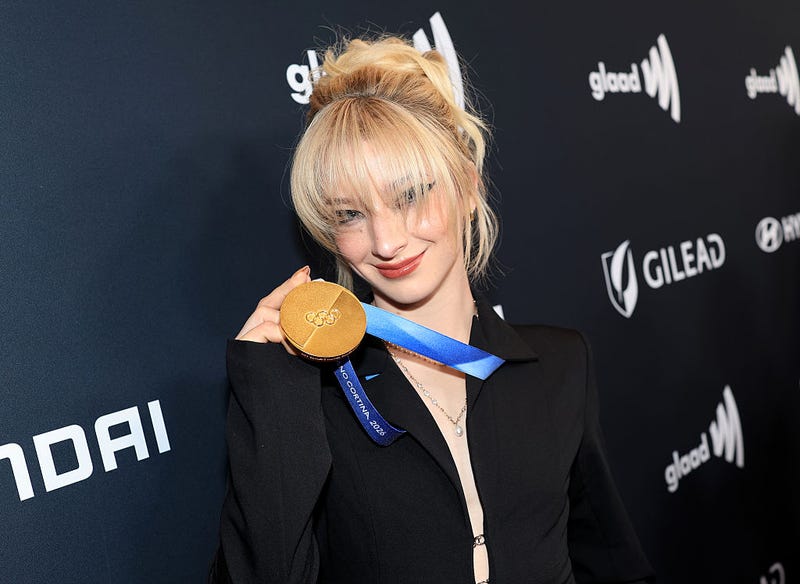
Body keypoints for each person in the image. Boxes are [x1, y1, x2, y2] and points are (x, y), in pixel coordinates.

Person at [209, 35, 654, 584]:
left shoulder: (560, 365)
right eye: (350, 213)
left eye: (410, 194)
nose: (387, 240)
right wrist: (271, 393)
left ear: (467, 187)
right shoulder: (308, 396)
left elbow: (612, 562)